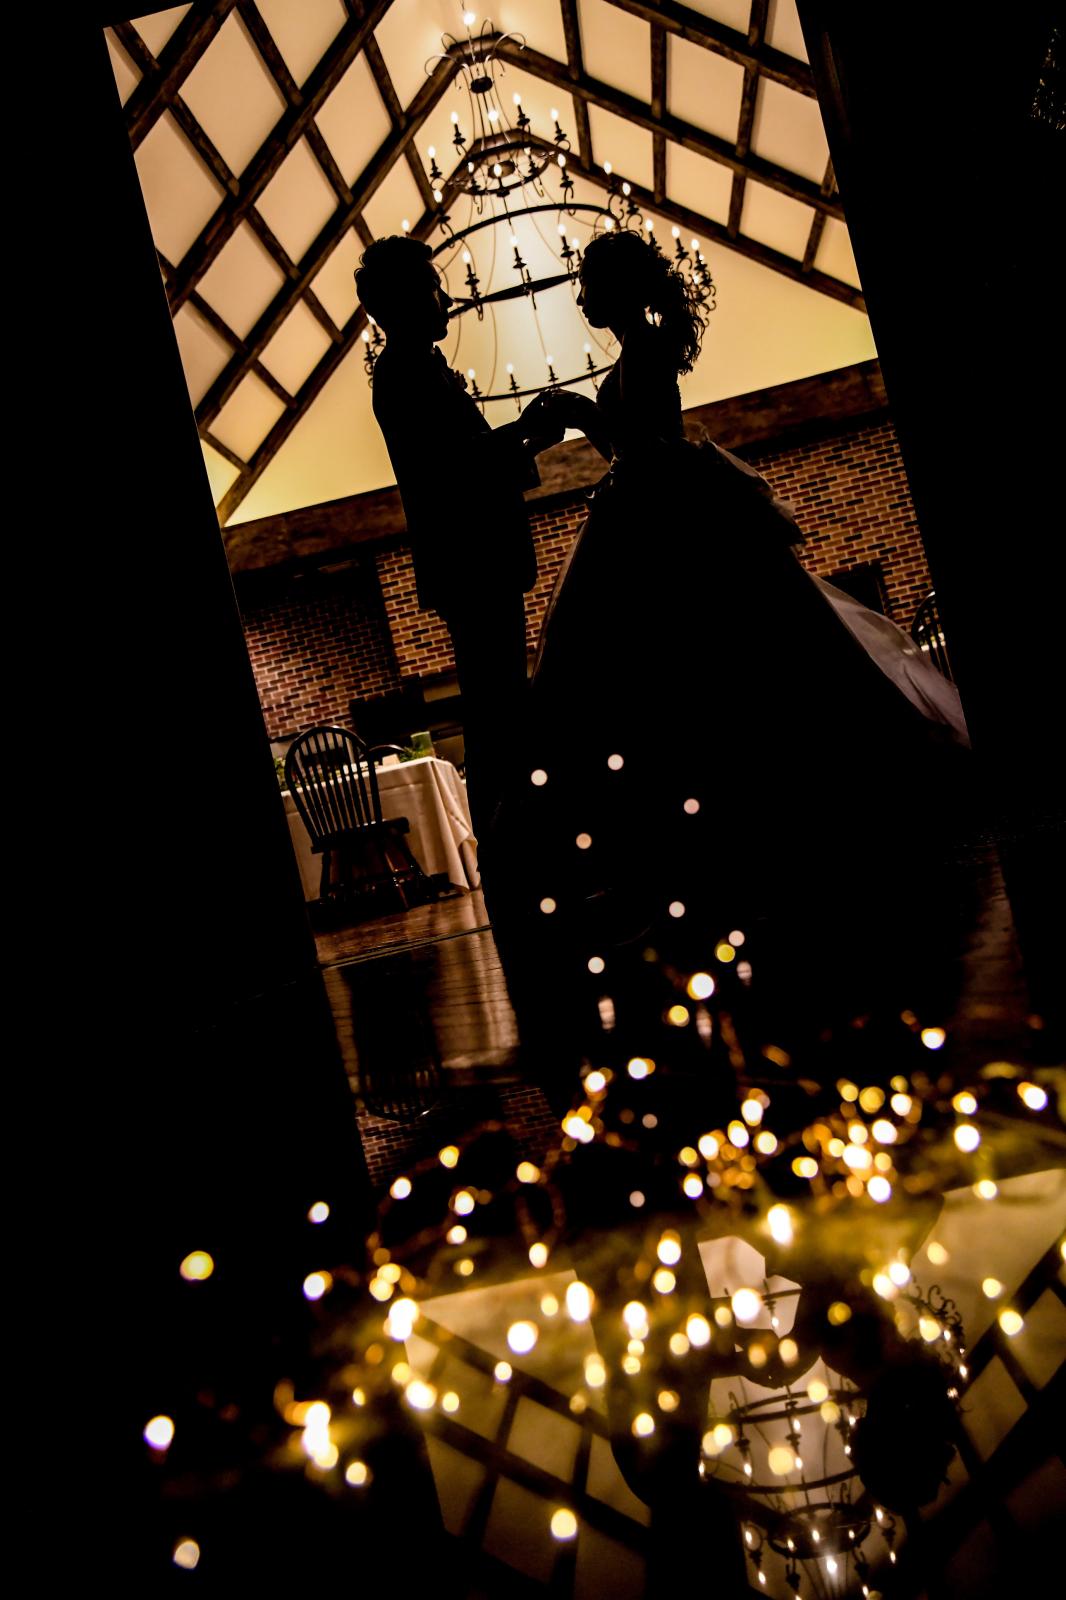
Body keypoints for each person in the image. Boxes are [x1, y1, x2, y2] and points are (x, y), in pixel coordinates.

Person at [491, 228, 971, 1057]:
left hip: (663, 522)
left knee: (709, 661)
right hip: (648, 511)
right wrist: (586, 418)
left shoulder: (646, 352)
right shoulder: (636, 352)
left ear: (618, 289)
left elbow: (649, 451)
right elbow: (633, 450)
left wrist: (581, 416)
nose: (581, 297)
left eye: (589, 283)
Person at [355, 236, 563, 849]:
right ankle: (514, 847)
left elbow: (464, 459)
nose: (446, 299)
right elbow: (455, 470)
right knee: (498, 710)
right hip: (473, 564)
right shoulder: (405, 373)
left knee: (501, 704)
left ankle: (521, 842)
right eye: (432, 288)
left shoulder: (418, 369)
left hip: (473, 563)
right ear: (402, 301)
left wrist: (525, 440)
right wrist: (526, 430)